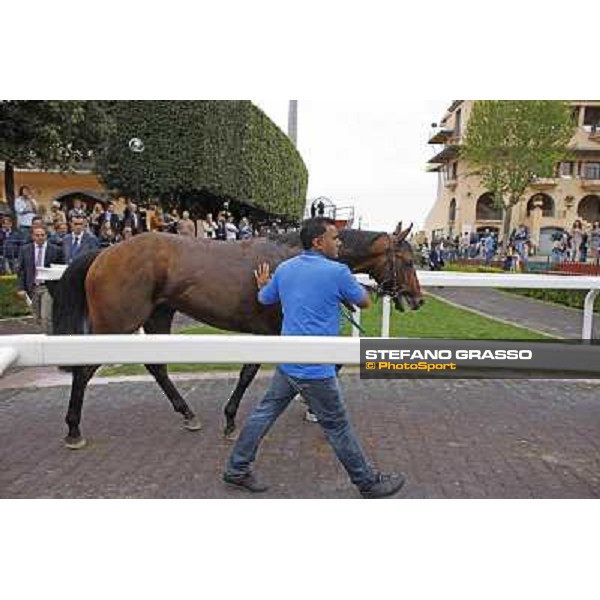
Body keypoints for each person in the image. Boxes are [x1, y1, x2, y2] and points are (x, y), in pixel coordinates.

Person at [223, 217, 406, 499]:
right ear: (319, 243)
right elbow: (365, 302)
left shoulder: (284, 269)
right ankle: (368, 482)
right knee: (337, 425)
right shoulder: (338, 272)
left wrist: (262, 284)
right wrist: (345, 288)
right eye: (335, 238)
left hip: (289, 362)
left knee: (264, 413)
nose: (340, 242)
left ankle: (236, 469)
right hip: (315, 369)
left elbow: (265, 299)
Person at [16, 226, 63, 332]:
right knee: (36, 318)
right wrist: (21, 288)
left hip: (48, 287)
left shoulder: (56, 250)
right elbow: (21, 271)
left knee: (46, 317)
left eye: (42, 235)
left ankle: (49, 342)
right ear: (32, 236)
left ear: (46, 236)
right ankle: (40, 341)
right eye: (37, 235)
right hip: (32, 288)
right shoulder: (25, 250)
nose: (40, 237)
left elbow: (61, 269)